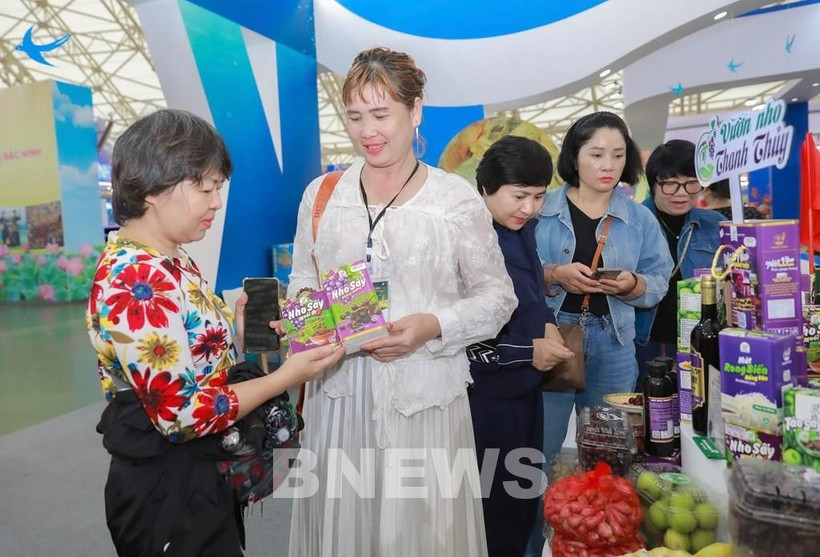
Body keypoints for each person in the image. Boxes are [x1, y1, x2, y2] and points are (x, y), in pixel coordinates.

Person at [284, 47, 517, 557]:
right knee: (346, 526)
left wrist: (431, 325)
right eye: (356, 116)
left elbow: (499, 297)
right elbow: (303, 279)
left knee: (421, 532)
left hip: (423, 399)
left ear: (414, 112)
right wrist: (308, 319)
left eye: (382, 114)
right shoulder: (323, 195)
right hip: (341, 397)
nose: (368, 130)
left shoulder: (453, 199)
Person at [85, 109, 345, 557]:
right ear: (152, 186)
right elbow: (182, 413)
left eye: (217, 188)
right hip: (166, 487)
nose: (215, 202)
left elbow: (187, 360)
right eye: (203, 187)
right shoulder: (134, 279)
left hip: (201, 472)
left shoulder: (170, 258)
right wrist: (287, 377)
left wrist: (237, 337)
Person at [534, 111, 673, 463]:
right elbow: (514, 271)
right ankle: (535, 516)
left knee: (608, 449)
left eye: (618, 154)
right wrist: (553, 274)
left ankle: (601, 515)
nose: (607, 164)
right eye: (596, 155)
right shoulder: (541, 210)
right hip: (553, 335)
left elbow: (660, 276)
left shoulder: (640, 219)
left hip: (615, 340)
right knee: (541, 445)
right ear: (575, 157)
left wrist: (633, 285)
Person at [468, 135, 573, 557]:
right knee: (491, 509)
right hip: (486, 399)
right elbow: (466, 336)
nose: (528, 208)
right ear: (486, 189)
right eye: (518, 196)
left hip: (527, 391)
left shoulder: (523, 229)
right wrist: (527, 353)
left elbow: (530, 295)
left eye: (538, 196)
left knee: (523, 498)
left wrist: (547, 325)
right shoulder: (468, 240)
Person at [634, 140, 722, 390]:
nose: (682, 193)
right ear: (653, 184)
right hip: (645, 341)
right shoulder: (632, 223)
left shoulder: (713, 224)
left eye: (691, 183)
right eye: (671, 184)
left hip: (700, 341)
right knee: (653, 415)